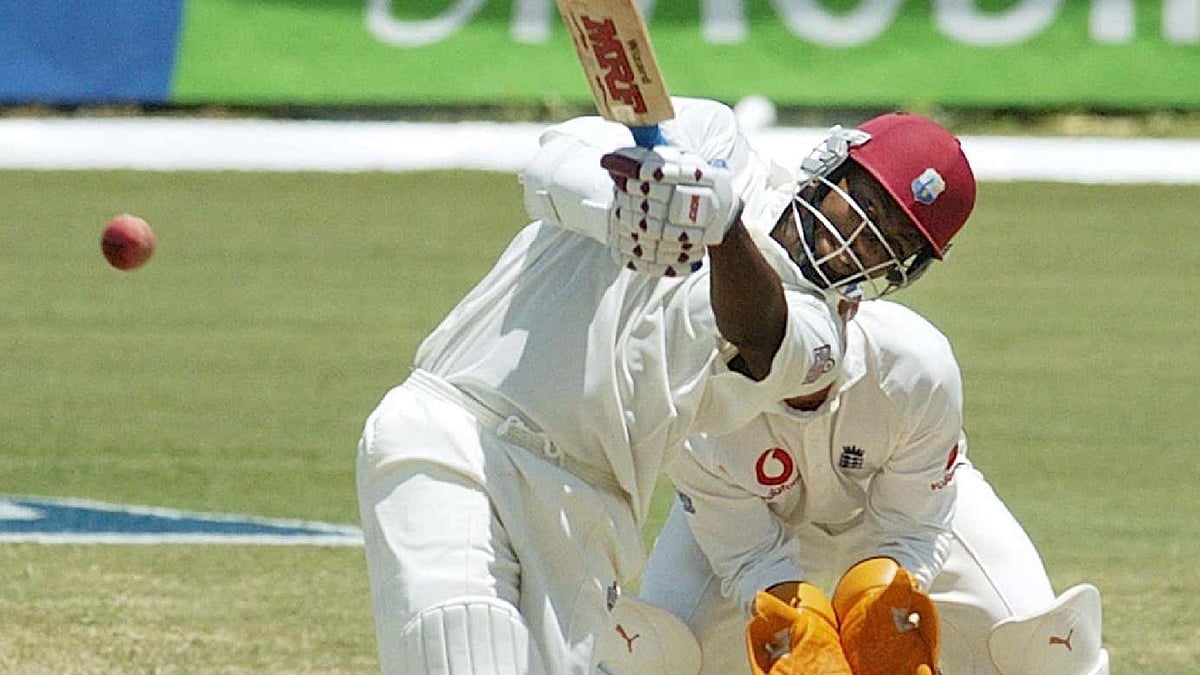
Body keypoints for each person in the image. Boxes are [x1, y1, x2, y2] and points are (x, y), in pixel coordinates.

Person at [355, 97, 977, 674]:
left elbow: (761, 333)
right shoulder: (712, 139)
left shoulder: (823, 335)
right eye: (863, 204)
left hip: (590, 507)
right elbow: (550, 166)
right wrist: (629, 205)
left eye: (890, 241)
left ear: (904, 272)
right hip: (462, 431)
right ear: (830, 166)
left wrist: (721, 226)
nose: (859, 239)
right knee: (464, 651)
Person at [637, 299, 1110, 675]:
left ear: (848, 305)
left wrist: (884, 611)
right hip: (758, 523)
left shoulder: (914, 361)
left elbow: (914, 525)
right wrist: (795, 633)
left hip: (899, 512)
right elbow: (746, 555)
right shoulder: (690, 393)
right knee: (655, 652)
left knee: (1041, 646)